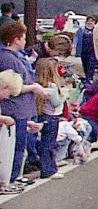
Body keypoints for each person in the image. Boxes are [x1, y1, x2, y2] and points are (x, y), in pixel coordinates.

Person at [0, 21, 50, 185]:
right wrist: (34, 87)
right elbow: (11, 86)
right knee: (16, 146)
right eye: (22, 38)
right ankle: (11, 178)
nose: (24, 41)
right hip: (15, 108)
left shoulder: (16, 56)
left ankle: (16, 175)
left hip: (23, 108)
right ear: (15, 39)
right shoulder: (7, 58)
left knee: (21, 145)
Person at [33, 58, 66, 180]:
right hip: (52, 116)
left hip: (43, 114)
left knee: (45, 143)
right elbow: (56, 103)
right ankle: (48, 169)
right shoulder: (51, 86)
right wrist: (64, 95)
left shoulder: (38, 85)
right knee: (49, 144)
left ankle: (49, 166)